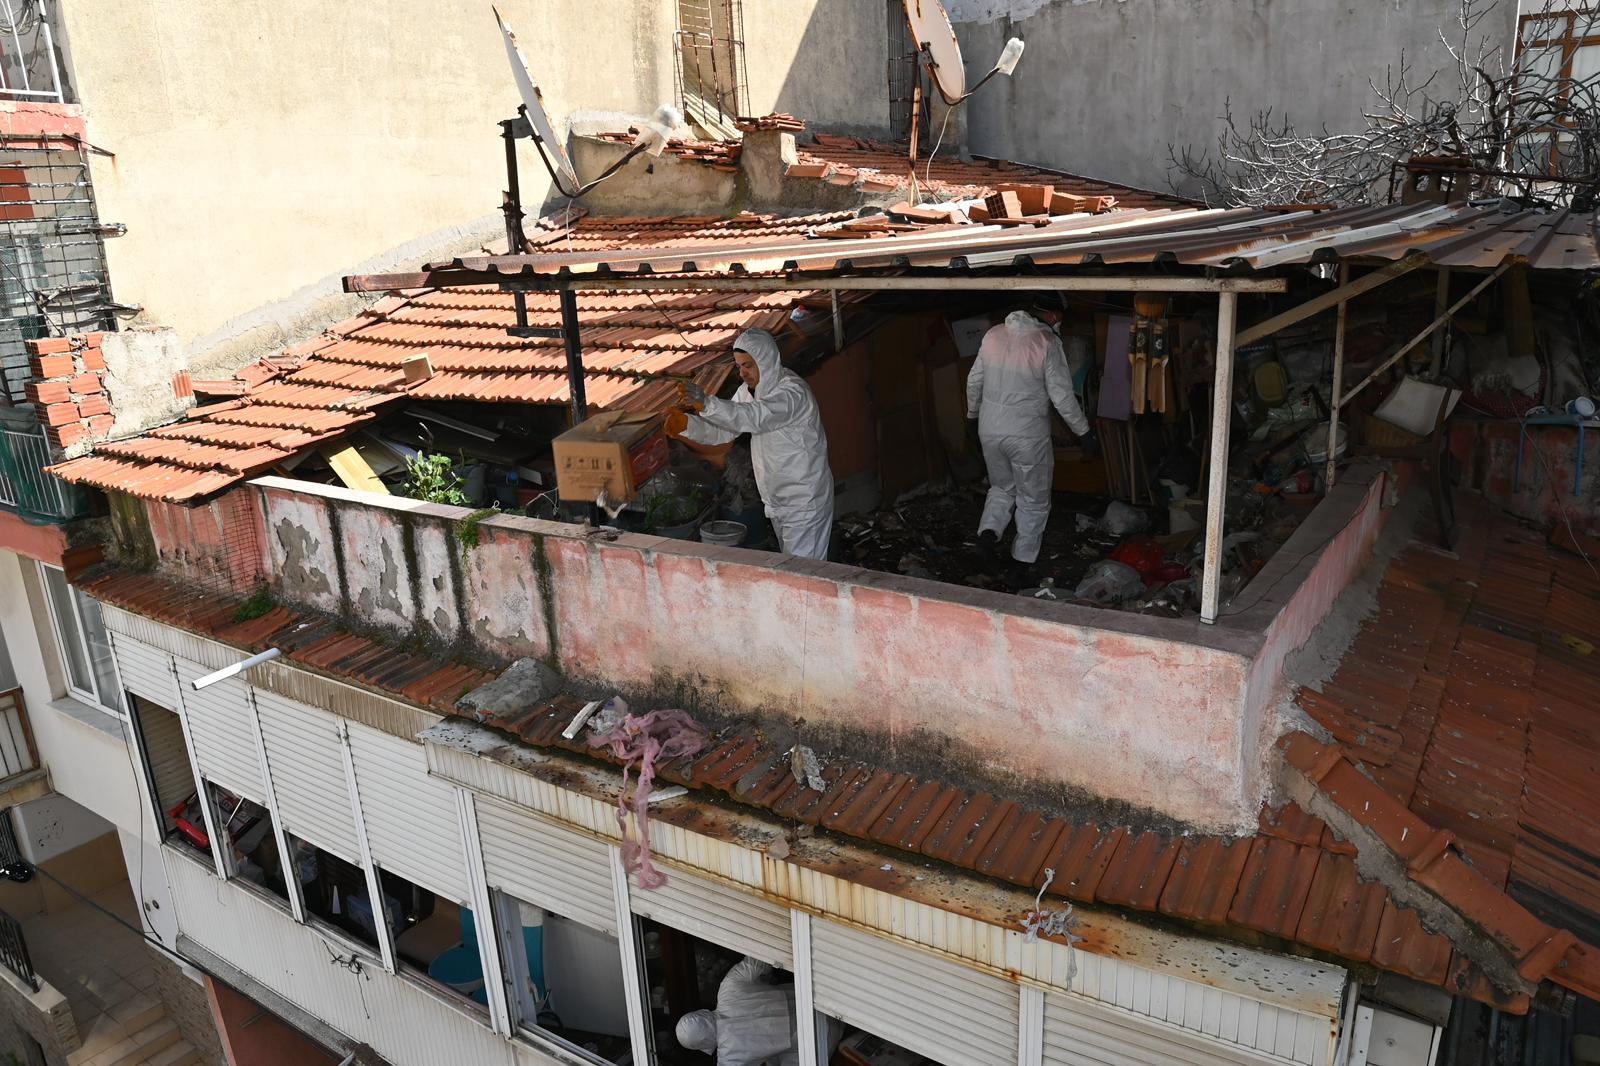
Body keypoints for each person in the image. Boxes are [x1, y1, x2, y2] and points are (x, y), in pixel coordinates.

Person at [665, 328, 834, 560]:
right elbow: (724, 430)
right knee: (795, 568)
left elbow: (756, 417)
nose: (742, 373)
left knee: (805, 576)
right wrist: (687, 424)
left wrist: (708, 404)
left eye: (748, 365)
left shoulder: (793, 392)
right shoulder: (747, 393)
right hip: (777, 501)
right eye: (739, 366)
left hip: (804, 501)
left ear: (766, 361)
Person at [966, 305, 1097, 569]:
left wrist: (971, 417)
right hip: (1027, 435)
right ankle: (1021, 563)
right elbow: (1062, 396)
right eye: (1059, 316)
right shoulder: (1046, 341)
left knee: (1001, 488)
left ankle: (987, 538)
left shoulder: (993, 335)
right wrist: (1084, 432)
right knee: (1033, 499)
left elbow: (974, 381)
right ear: (1049, 313)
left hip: (990, 430)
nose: (1060, 321)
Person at [675, 957, 806, 1065]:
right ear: (701, 1013)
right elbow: (759, 959)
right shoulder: (728, 988)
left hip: (816, 1040)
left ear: (701, 1045)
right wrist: (765, 980)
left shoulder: (729, 1059)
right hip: (811, 996)